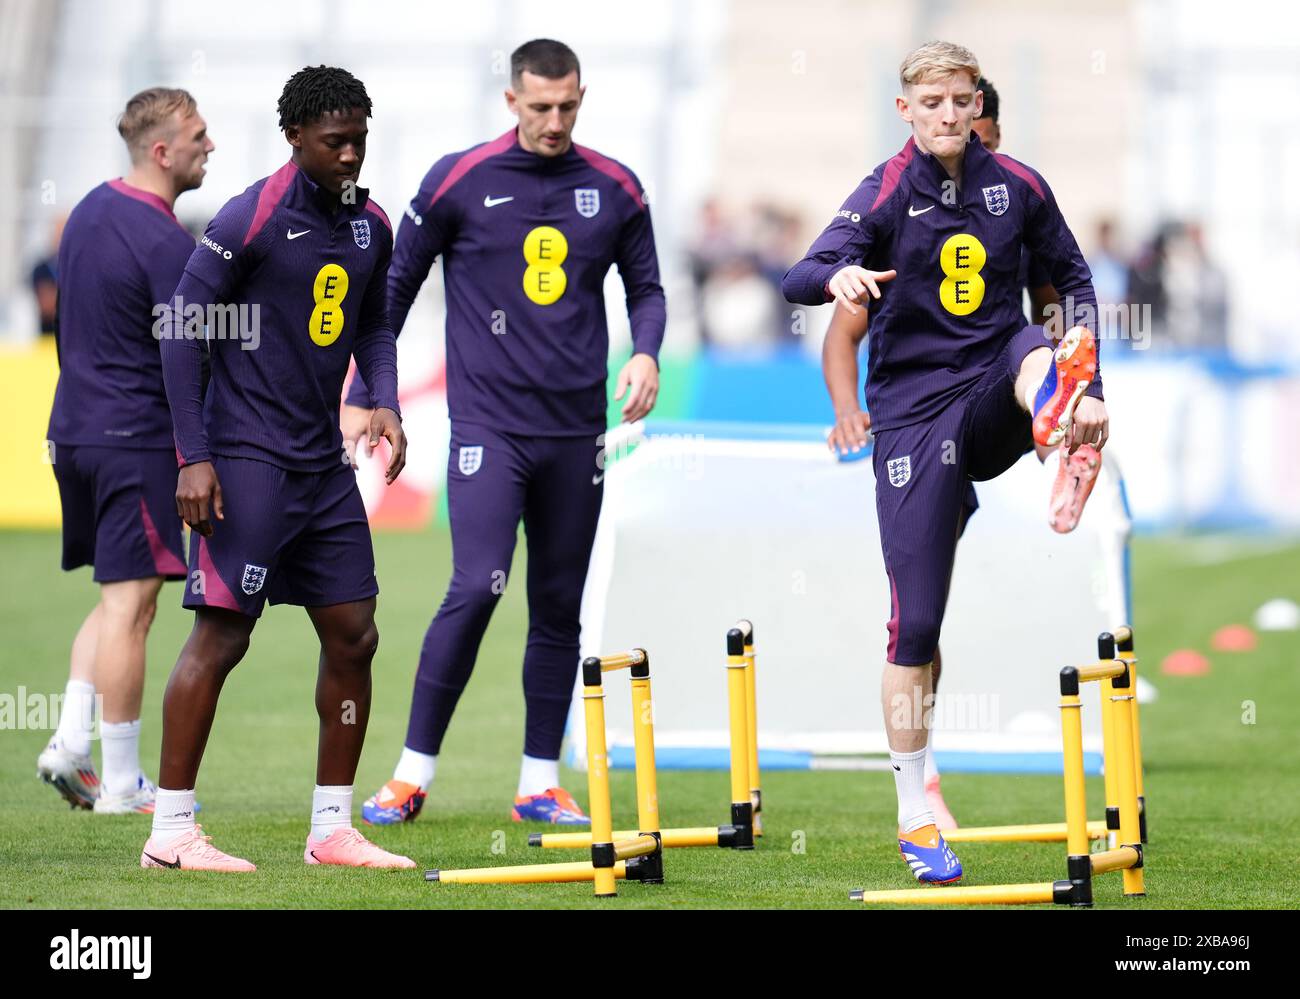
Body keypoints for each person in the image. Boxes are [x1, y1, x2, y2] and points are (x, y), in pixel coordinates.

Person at [785, 41, 1108, 885]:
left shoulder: (1019, 186)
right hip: (914, 416)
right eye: (933, 103)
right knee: (918, 625)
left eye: (962, 101)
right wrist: (840, 279)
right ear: (907, 110)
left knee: (1031, 344)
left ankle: (1063, 424)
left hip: (995, 385)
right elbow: (800, 273)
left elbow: (1072, 277)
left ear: (977, 105)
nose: (950, 116)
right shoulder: (887, 191)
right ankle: (913, 810)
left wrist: (1093, 382)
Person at [346, 38, 665, 827]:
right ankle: (411, 773)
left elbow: (649, 288)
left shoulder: (616, 187)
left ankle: (537, 781)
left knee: (558, 607)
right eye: (539, 107)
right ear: (511, 102)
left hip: (575, 434)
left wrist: (648, 351)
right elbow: (392, 287)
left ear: (581, 98)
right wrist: (365, 388)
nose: (554, 122)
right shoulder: (460, 179)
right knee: (476, 586)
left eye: (567, 107)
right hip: (489, 427)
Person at [145, 66, 411, 872]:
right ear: (295, 138)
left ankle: (331, 827)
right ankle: (170, 829)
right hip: (247, 457)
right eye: (335, 141)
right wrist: (194, 457)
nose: (351, 154)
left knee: (355, 633)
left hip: (321, 465)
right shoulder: (250, 215)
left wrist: (385, 400)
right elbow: (181, 329)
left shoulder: (372, 225)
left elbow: (375, 325)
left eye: (360, 137)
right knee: (223, 634)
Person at [40, 88, 214, 815]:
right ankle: (120, 784)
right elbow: (188, 355)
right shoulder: (166, 243)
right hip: (130, 436)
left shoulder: (85, 210)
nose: (212, 146)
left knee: (115, 595)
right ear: (163, 150)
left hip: (72, 430)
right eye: (200, 136)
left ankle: (68, 742)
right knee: (133, 605)